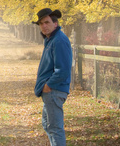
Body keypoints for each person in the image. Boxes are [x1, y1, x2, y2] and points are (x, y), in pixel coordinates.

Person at [33, 8, 73, 146]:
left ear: (55, 23)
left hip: (54, 90)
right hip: (51, 92)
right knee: (48, 125)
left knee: (55, 129)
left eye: (47, 22)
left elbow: (63, 70)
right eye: (41, 23)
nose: (44, 26)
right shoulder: (51, 40)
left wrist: (48, 86)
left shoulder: (59, 40)